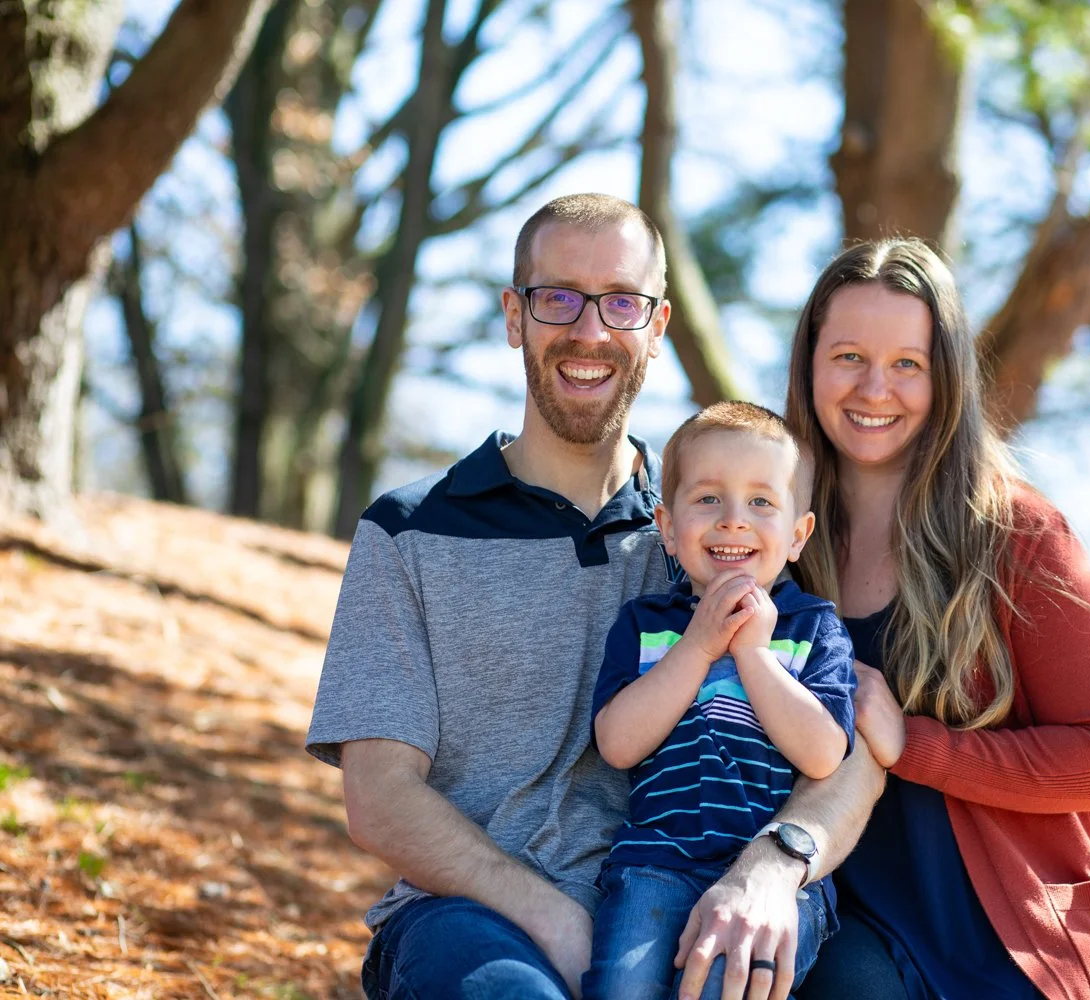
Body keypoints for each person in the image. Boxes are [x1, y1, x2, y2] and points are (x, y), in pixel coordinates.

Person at [305, 193, 885, 1000]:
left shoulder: (711, 533)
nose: (589, 330)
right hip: (475, 919)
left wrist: (769, 870)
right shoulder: (409, 532)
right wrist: (555, 918)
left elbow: (852, 753)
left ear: (657, 327)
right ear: (515, 316)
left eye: (621, 302)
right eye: (557, 298)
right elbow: (378, 799)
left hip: (700, 901)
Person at [784, 238, 1090, 1000]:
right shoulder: (780, 535)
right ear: (810, 365)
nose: (874, 388)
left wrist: (913, 744)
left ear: (947, 376)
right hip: (856, 917)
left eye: (908, 364)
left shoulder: (1017, 533)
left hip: (1014, 934)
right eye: (848, 356)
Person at [585, 401, 856, 1000]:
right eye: (708, 498)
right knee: (622, 988)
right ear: (668, 527)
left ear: (797, 534)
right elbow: (618, 744)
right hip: (654, 863)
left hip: (774, 882)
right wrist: (699, 647)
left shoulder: (813, 628)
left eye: (762, 502)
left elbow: (822, 755)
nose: (734, 520)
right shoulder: (645, 624)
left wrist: (755, 655)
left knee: (718, 991)